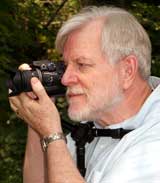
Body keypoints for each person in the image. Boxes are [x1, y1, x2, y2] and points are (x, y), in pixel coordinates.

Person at [9, 6, 160, 183]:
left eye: (81, 65)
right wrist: (36, 122)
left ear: (127, 71)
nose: (65, 79)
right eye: (65, 66)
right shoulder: (93, 126)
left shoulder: (153, 144)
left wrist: (52, 134)